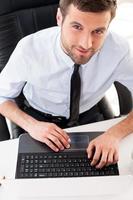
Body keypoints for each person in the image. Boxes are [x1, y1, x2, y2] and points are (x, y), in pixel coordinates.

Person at [0, 0, 133, 169]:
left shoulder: (118, 49)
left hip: (89, 114)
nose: (86, 44)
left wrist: (115, 134)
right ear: (59, 18)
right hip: (39, 118)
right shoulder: (29, 49)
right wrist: (31, 125)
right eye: (77, 27)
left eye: (98, 31)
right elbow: (2, 95)